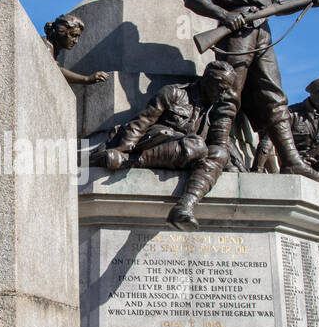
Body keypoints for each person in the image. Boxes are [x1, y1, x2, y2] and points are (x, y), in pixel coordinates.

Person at [183, 0, 319, 184]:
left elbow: (280, 3)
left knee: (275, 98)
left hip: (262, 34)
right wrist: (223, 14)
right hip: (236, 34)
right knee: (228, 96)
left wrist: (312, 0)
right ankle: (216, 152)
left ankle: (291, 161)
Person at [100, 62, 240, 228]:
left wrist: (225, 115)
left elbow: (220, 145)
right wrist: (123, 148)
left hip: (192, 152)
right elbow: (142, 121)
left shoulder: (219, 107)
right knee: (197, 145)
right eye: (221, 88)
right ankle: (131, 160)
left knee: (220, 153)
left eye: (228, 89)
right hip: (159, 142)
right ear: (208, 80)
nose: (224, 94)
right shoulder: (174, 92)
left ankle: (185, 206)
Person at [42, 13, 108, 86]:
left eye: (77, 37)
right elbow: (54, 70)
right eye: (73, 35)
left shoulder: (54, 51)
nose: (76, 41)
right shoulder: (46, 45)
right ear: (61, 32)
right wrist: (87, 79)